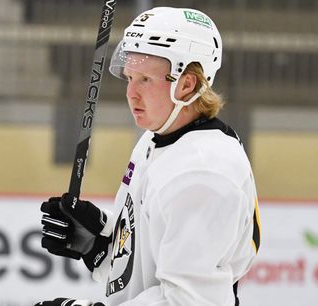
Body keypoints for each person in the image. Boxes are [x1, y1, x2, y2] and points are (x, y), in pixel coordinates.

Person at [35, 7, 261, 306]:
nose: (131, 93)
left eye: (145, 79)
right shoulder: (156, 141)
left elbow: (190, 301)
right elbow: (142, 272)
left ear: (187, 84)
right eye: (129, 77)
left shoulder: (203, 171)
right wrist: (99, 244)